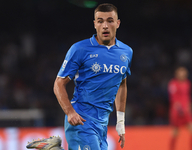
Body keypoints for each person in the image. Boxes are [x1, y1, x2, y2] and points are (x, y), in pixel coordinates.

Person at [53, 3, 133, 150]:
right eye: (100, 21)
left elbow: (121, 84)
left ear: (118, 23)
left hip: (102, 124)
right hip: (81, 120)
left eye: (110, 20)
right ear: (95, 24)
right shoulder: (80, 49)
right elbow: (58, 83)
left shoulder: (126, 52)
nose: (105, 25)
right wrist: (70, 112)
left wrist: (120, 122)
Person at [168, 66, 192, 150]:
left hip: (186, 111)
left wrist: (189, 106)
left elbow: (187, 97)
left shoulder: (187, 83)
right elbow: (173, 98)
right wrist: (179, 108)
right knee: (175, 132)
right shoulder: (173, 84)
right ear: (177, 74)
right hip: (177, 112)